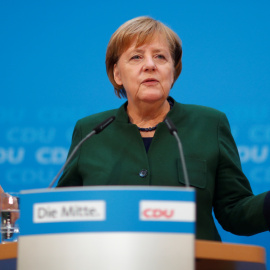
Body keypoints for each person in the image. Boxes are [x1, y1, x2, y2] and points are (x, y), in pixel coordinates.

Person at [57, 16, 270, 241]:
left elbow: (234, 212)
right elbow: (61, 213)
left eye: (160, 56)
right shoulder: (90, 130)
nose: (150, 65)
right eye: (136, 56)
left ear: (173, 71)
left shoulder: (210, 123)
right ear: (117, 74)